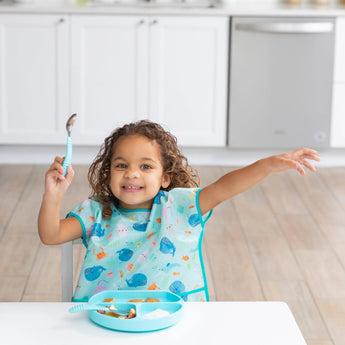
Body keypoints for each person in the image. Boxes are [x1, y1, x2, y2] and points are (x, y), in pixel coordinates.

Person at [38, 120, 320, 302]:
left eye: (146, 166)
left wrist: (268, 164)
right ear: (108, 172)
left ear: (165, 178)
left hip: (175, 324)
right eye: (121, 165)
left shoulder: (180, 207)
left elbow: (225, 187)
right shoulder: (96, 211)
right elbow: (51, 236)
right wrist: (53, 196)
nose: (132, 174)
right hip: (105, 323)